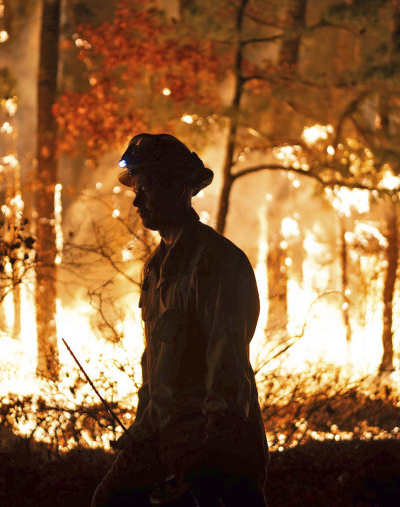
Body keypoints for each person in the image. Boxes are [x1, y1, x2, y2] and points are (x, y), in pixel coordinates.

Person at [91, 134, 268, 506]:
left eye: (149, 187)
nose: (137, 200)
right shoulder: (155, 269)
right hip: (163, 438)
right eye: (136, 189)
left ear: (180, 188)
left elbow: (227, 371)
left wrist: (207, 463)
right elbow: (154, 368)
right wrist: (140, 433)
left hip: (216, 451)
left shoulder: (217, 263)